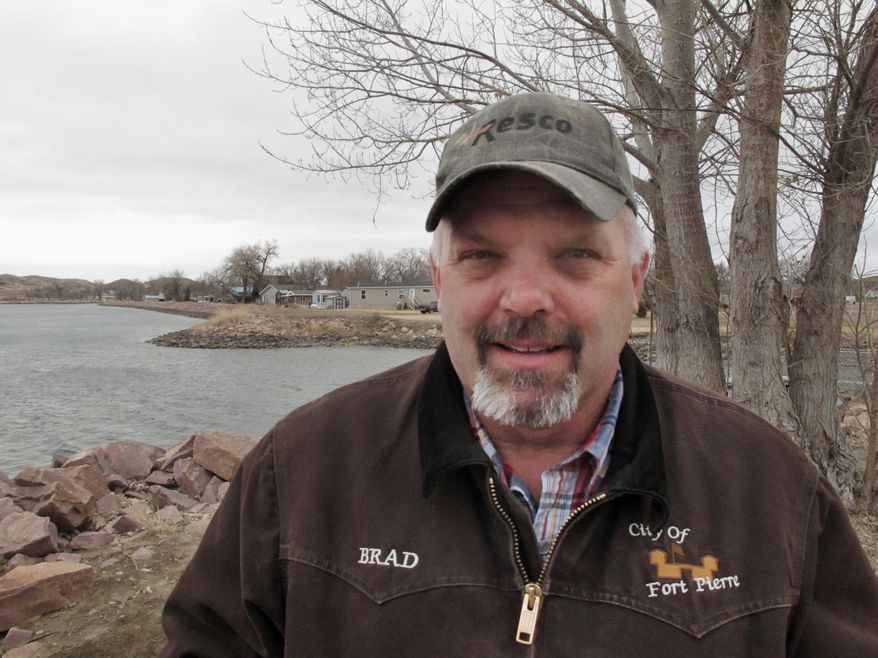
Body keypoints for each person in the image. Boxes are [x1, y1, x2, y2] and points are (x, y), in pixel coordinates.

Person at [160, 92, 878, 656]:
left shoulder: (768, 489)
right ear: (438, 279)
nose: (526, 299)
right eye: (482, 256)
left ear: (637, 278)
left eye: (575, 256)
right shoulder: (302, 470)